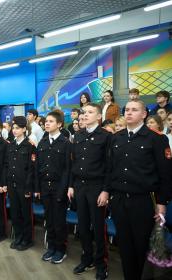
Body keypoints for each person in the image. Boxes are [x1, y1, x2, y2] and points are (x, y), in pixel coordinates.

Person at [109, 100, 172, 280]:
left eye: (134, 110)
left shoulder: (157, 138)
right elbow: (110, 168)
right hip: (120, 199)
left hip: (143, 201)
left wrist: (161, 202)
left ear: (144, 114)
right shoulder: (117, 137)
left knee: (141, 246)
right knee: (125, 246)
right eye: (126, 110)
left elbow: (165, 174)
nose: (129, 113)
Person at [68, 103, 111, 280]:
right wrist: (71, 185)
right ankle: (87, 259)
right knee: (83, 226)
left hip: (97, 187)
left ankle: (101, 263)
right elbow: (73, 164)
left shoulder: (107, 136)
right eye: (84, 112)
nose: (85, 115)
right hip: (79, 186)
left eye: (90, 112)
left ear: (99, 116)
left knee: (98, 228)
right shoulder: (78, 136)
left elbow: (110, 166)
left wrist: (106, 190)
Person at [35, 111, 71, 264]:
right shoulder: (42, 143)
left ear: (59, 124)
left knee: (59, 221)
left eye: (51, 121)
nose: (47, 124)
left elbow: (67, 170)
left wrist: (63, 190)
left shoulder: (65, 143)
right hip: (45, 186)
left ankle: (60, 249)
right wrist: (37, 188)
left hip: (59, 187)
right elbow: (37, 167)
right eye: (46, 121)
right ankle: (51, 247)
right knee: (48, 219)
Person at [3, 116, 36, 251]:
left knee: (26, 214)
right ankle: (18, 236)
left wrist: (28, 188)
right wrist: (6, 183)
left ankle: (27, 239)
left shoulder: (29, 146)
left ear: (24, 129)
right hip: (12, 185)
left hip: (24, 186)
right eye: (13, 128)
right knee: (15, 213)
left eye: (17, 128)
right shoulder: (11, 145)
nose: (14, 131)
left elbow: (31, 169)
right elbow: (6, 165)